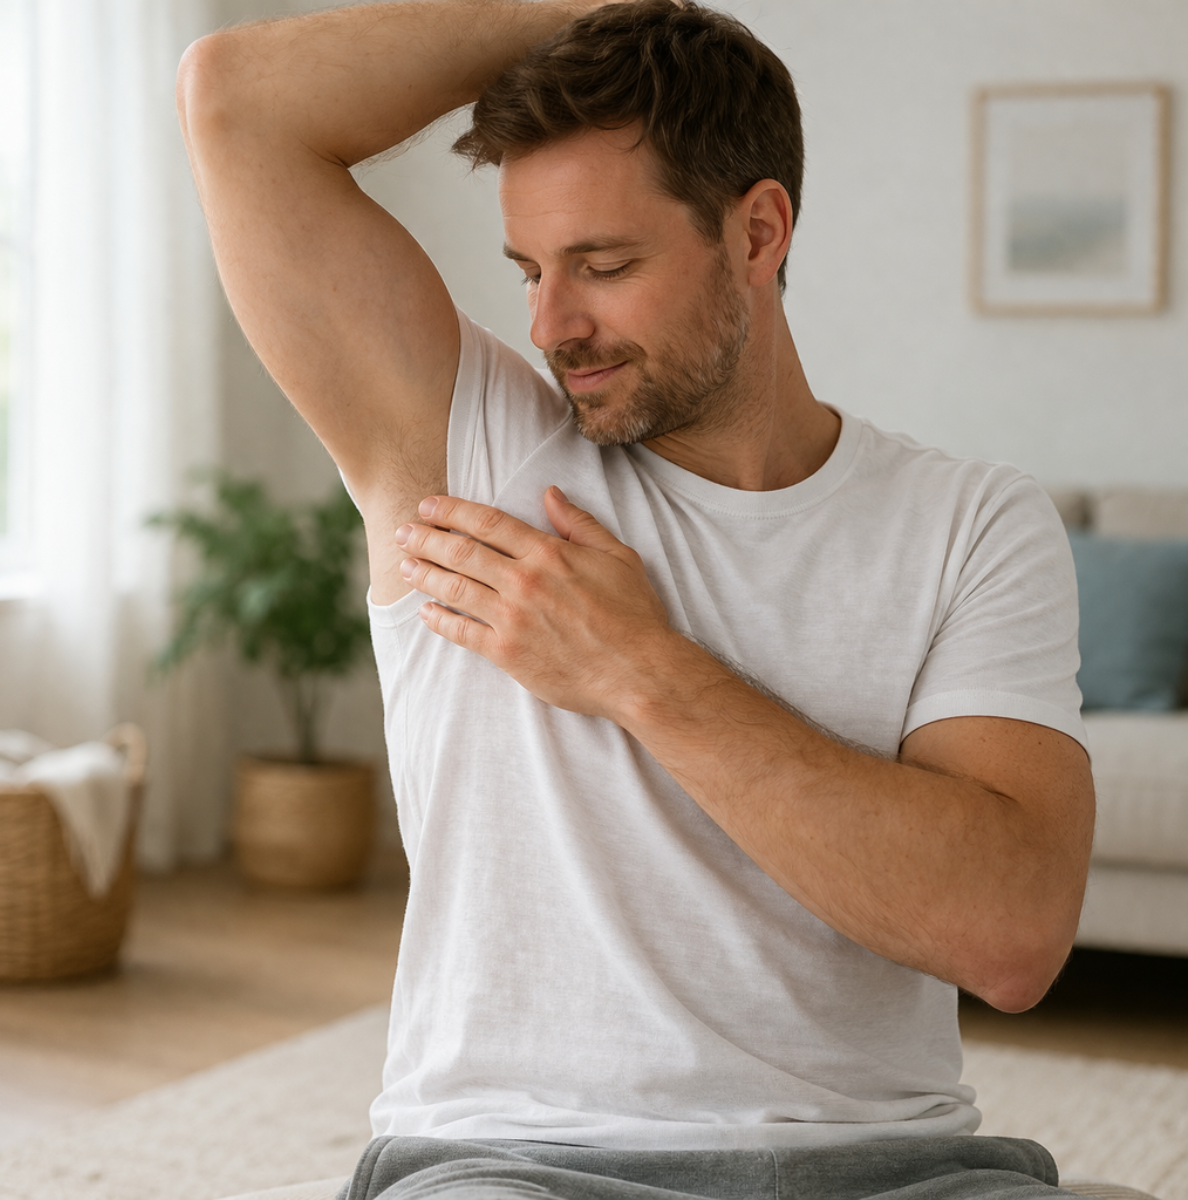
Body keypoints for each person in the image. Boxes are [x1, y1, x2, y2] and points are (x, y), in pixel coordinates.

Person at [178, 2, 1096, 1197]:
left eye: (604, 266)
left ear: (758, 231)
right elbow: (236, 101)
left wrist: (637, 671)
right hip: (517, 1163)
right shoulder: (475, 452)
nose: (553, 325)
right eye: (530, 270)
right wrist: (608, 11)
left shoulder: (970, 524)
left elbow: (1011, 934)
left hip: (893, 1169)